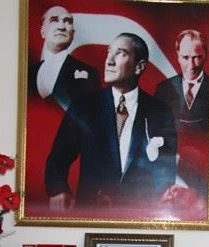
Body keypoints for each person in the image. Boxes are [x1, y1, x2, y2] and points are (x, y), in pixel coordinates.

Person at [44, 33, 177, 209]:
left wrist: (164, 196)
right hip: (92, 213)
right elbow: (57, 160)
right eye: (109, 52)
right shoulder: (84, 107)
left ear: (139, 66)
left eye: (120, 53)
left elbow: (166, 168)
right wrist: (59, 190)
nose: (109, 61)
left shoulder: (160, 113)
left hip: (139, 215)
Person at [154, 29, 209, 198]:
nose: (191, 65)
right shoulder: (164, 89)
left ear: (206, 55)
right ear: (177, 56)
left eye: (197, 57)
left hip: (204, 175)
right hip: (171, 173)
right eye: (186, 57)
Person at [28, 5, 101, 111]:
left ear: (73, 33)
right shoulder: (27, 73)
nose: (61, 27)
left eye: (68, 21)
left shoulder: (91, 74)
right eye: (54, 20)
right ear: (42, 31)